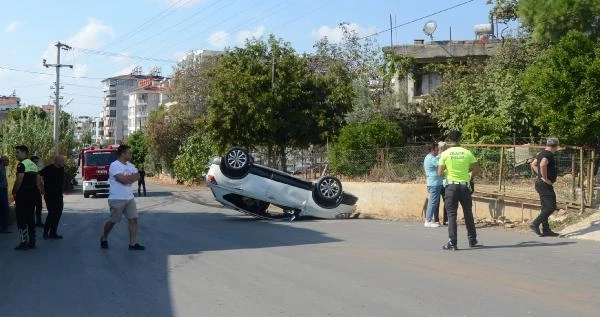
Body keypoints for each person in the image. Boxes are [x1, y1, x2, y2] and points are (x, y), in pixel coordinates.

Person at [438, 131, 481, 251]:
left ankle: (453, 242)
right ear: (460, 139)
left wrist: (448, 173)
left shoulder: (445, 153)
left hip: (451, 187)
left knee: (451, 215)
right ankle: (472, 240)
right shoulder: (467, 152)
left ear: (449, 140)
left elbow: (440, 172)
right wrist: (469, 176)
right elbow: (477, 168)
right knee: (468, 213)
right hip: (464, 187)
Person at [100, 144, 145, 250]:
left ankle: (133, 244)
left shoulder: (130, 165)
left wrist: (128, 178)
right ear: (123, 153)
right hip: (117, 198)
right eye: (129, 152)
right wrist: (130, 178)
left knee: (133, 219)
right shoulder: (114, 165)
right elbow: (123, 180)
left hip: (129, 198)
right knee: (113, 221)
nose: (131, 154)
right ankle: (104, 237)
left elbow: (138, 176)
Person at [529, 137, 561, 237]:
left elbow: (533, 164)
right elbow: (542, 165)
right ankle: (535, 223)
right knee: (551, 207)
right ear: (555, 146)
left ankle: (546, 230)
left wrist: (539, 175)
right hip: (544, 184)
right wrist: (545, 178)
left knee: (545, 207)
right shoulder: (549, 154)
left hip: (539, 184)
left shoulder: (541, 153)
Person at [12, 145, 41, 250]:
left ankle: (23, 242)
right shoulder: (33, 164)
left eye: (17, 152)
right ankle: (32, 241)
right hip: (32, 193)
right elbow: (38, 180)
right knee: (30, 217)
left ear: (24, 152)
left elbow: (19, 180)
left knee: (21, 218)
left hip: (23, 194)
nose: (16, 154)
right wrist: (38, 191)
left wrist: (14, 191)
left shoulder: (22, 165)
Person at [39, 155, 65, 239]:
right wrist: (41, 188)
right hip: (50, 195)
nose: (63, 162)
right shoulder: (48, 168)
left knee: (58, 214)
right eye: (62, 160)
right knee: (52, 214)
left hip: (59, 196)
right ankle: (45, 233)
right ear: (57, 161)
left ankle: (53, 233)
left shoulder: (61, 168)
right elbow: (38, 175)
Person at [423, 143, 442, 228]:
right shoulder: (431, 158)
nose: (438, 151)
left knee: (434, 202)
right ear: (432, 150)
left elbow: (438, 158)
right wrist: (442, 152)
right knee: (433, 202)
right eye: (437, 149)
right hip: (434, 183)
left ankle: (431, 219)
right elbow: (441, 164)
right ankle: (428, 221)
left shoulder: (430, 157)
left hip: (434, 183)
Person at [436, 141, 448, 226]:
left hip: (444, 182)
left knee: (446, 201)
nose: (445, 148)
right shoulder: (437, 158)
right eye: (444, 147)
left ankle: (445, 220)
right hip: (438, 182)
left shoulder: (446, 156)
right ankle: (437, 220)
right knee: (437, 202)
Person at [31, 155, 44, 227]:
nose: (36, 163)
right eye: (34, 161)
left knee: (39, 206)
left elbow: (40, 179)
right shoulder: (29, 168)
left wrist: (41, 189)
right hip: (31, 190)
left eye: (37, 161)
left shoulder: (37, 168)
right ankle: (32, 222)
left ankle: (38, 221)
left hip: (37, 190)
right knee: (32, 207)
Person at [0, 155, 11, 233]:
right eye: (7, 160)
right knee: (4, 209)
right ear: (3, 161)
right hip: (1, 190)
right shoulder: (0, 168)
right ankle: (4, 228)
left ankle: (4, 227)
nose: (8, 162)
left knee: (4, 209)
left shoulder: (3, 168)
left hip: (3, 190)